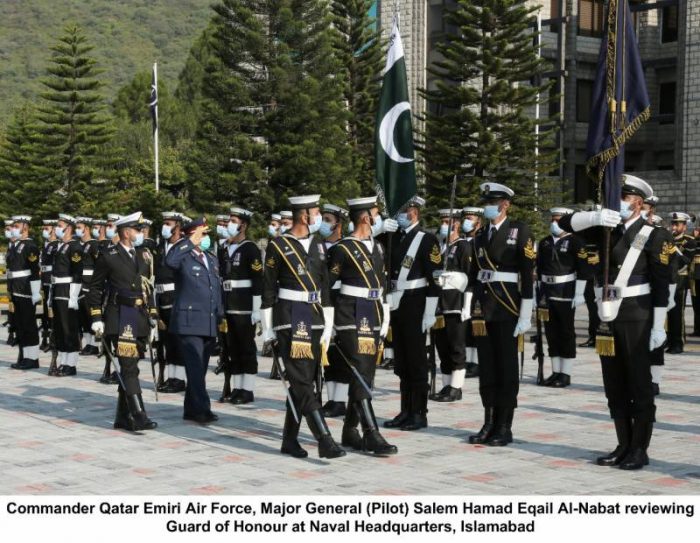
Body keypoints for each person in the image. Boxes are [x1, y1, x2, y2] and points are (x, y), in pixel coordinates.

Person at [558, 175, 671, 470]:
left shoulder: (655, 235)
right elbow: (565, 224)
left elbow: (662, 284)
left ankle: (639, 448)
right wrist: (595, 215)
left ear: (640, 203)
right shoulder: (604, 230)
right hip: (608, 315)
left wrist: (659, 325)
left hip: (638, 314)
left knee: (639, 382)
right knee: (614, 383)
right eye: (617, 196)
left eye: (625, 197)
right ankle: (623, 443)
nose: (619, 202)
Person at [261, 194, 345, 459]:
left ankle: (289, 440)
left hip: (315, 316)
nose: (319, 217)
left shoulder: (319, 244)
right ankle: (324, 438)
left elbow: (325, 287)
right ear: (304, 216)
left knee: (304, 382)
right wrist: (267, 330)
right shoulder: (279, 244)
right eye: (316, 212)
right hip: (290, 316)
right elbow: (268, 290)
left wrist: (329, 325)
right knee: (301, 380)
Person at [326, 196, 397, 455]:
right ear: (366, 217)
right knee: (358, 371)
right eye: (376, 213)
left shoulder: (376, 247)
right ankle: (371, 432)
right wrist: (330, 322)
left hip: (374, 312)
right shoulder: (342, 249)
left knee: (367, 372)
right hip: (350, 315)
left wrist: (385, 312)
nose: (379, 217)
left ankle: (350, 430)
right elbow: (328, 287)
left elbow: (382, 282)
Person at [466, 183, 534, 447]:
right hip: (484, 310)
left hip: (508, 308)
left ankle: (504, 426)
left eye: (492, 202)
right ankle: (489, 421)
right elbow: (475, 275)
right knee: (488, 370)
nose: (487, 207)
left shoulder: (519, 230)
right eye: (486, 202)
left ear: (505, 204)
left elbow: (527, 274)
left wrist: (526, 312)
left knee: (507, 370)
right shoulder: (481, 234)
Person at [88, 212, 159, 432]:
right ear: (126, 232)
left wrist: (153, 315)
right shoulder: (108, 255)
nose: (141, 234)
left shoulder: (143, 255)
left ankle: (122, 416)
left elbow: (148, 286)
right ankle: (139, 415)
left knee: (131, 366)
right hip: (121, 315)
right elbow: (95, 288)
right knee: (129, 367)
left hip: (139, 315)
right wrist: (96, 317)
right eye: (137, 230)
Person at [383, 196, 442, 432]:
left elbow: (435, 278)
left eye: (404, 211)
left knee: (417, 362)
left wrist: (430, 311)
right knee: (402, 362)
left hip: (417, 303)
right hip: (397, 302)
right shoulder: (394, 237)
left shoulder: (426, 240)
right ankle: (405, 410)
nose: (400, 215)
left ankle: (419, 412)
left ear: (414, 212)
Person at [166, 216, 223, 425]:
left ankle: (191, 408)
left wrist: (220, 315)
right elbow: (169, 261)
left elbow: (215, 289)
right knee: (196, 367)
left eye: (207, 234)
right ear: (192, 234)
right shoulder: (183, 255)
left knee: (200, 367)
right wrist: (188, 242)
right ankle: (202, 409)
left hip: (208, 320)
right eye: (202, 233)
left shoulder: (211, 258)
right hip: (189, 321)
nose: (206, 238)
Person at [536, 208, 589, 388]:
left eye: (558, 220)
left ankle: (565, 374)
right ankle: (555, 371)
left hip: (565, 291)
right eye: (552, 219)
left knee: (565, 332)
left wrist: (580, 292)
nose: (554, 223)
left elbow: (583, 268)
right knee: (551, 333)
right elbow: (539, 269)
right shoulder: (544, 242)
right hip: (547, 292)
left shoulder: (576, 241)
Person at [219, 206, 263, 404]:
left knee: (246, 347)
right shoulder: (225, 248)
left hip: (244, 307)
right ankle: (237, 386)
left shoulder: (250, 248)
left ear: (243, 225)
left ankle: (248, 388)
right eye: (230, 220)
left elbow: (258, 280)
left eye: (234, 221)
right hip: (228, 305)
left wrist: (256, 309)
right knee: (231, 348)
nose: (230, 224)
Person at [431, 208, 471, 402]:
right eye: (442, 221)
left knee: (456, 346)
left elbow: (469, 277)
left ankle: (456, 387)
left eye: (447, 221)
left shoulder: (463, 246)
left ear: (456, 224)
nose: (444, 225)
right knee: (442, 346)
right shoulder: (440, 247)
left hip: (456, 303)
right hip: (440, 305)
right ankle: (447, 385)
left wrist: (468, 306)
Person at [318, 203, 351, 418]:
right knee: (326, 351)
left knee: (340, 352)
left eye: (328, 219)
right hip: (321, 301)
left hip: (340, 302)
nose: (323, 223)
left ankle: (340, 400)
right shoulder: (317, 245)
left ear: (339, 224)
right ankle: (331, 399)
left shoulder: (346, 246)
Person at [154, 212, 188, 393]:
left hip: (176, 296)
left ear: (178, 226)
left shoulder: (184, 247)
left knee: (177, 340)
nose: (164, 227)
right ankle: (171, 376)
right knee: (166, 340)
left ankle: (179, 378)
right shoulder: (161, 246)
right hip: (161, 298)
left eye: (168, 223)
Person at [50, 214, 84, 376]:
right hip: (58, 288)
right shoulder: (61, 246)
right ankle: (63, 361)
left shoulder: (75, 247)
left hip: (68, 290)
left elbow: (78, 273)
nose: (57, 228)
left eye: (60, 225)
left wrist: (73, 296)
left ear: (68, 228)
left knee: (69, 327)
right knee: (60, 328)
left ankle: (71, 364)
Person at [7, 215, 42, 370]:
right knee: (20, 325)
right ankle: (24, 355)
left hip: (26, 290)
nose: (14, 228)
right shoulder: (15, 245)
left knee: (29, 325)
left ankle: (32, 358)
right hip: (16, 289)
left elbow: (35, 271)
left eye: (17, 225)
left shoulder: (30, 246)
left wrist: (35, 292)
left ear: (25, 227)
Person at [666, 212, 696, 354]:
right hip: (665, 279)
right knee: (666, 313)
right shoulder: (666, 239)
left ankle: (678, 342)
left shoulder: (689, 241)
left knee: (677, 313)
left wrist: (674, 249)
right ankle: (668, 340)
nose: (674, 226)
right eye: (673, 223)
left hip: (679, 280)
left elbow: (686, 261)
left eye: (677, 224)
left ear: (684, 226)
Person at [460, 207, 483, 377]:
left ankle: (476, 362)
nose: (466, 222)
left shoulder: (480, 241)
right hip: (461, 288)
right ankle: (467, 360)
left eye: (470, 218)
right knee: (465, 328)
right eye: (465, 218)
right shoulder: (461, 241)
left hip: (476, 288)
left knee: (475, 325)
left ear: (478, 222)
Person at [75, 217, 101, 357]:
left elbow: (99, 266)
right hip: (79, 283)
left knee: (90, 314)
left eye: (80, 227)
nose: (77, 230)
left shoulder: (94, 245)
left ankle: (94, 345)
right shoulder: (78, 245)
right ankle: (88, 343)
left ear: (87, 229)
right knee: (83, 316)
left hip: (89, 284)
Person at [39, 219, 59, 353]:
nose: (44, 230)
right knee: (46, 310)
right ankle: (46, 337)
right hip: (45, 280)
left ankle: (53, 338)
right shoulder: (46, 245)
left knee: (52, 309)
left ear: (53, 229)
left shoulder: (57, 244)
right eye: (44, 228)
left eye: (47, 228)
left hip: (52, 280)